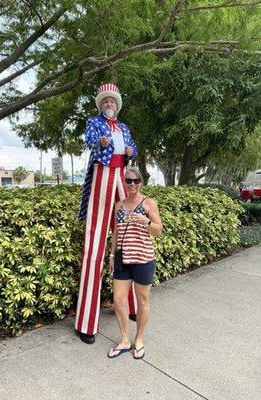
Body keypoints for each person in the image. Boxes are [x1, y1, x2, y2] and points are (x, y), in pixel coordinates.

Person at [76, 83, 138, 344]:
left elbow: (132, 147)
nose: (109, 105)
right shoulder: (94, 122)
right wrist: (100, 142)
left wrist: (131, 151)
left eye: (112, 102)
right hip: (102, 175)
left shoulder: (123, 127)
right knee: (94, 246)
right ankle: (86, 322)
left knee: (126, 238)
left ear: (117, 105)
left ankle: (130, 305)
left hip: (122, 178)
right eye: (105, 102)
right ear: (101, 105)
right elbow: (89, 141)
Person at [108, 168, 162, 359]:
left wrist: (145, 221)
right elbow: (116, 233)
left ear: (141, 182)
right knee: (119, 300)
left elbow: (158, 231)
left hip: (143, 259)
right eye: (129, 181)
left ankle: (138, 339)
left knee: (142, 301)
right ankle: (124, 340)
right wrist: (112, 256)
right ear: (124, 182)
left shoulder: (148, 203)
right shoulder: (119, 205)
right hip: (123, 259)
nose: (132, 184)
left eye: (136, 181)